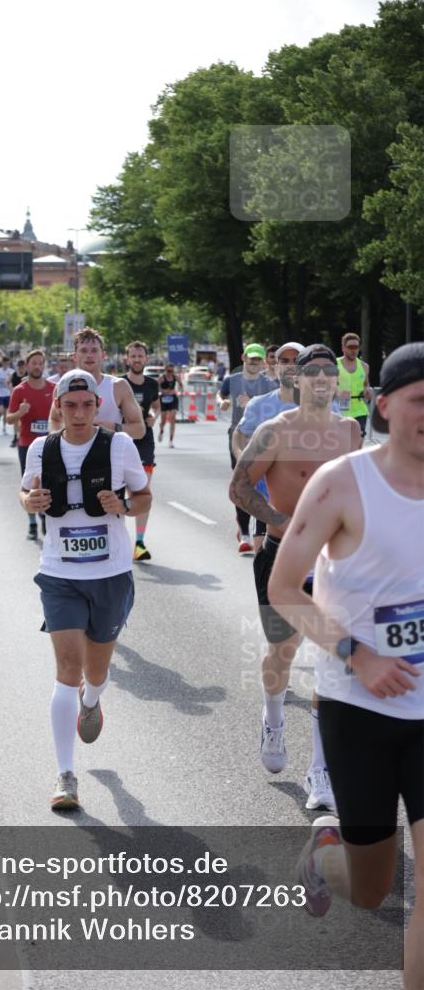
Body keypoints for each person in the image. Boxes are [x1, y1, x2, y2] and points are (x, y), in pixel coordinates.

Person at [268, 343, 423, 988]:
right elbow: (284, 589)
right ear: (385, 406)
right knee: (368, 888)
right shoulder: (342, 482)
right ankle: (326, 855)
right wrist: (357, 655)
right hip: (357, 706)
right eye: (421, 402)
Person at [229, 345, 362, 813]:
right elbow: (239, 487)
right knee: (281, 654)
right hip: (282, 557)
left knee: (333, 663)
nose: (323, 378)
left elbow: (359, 489)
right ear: (298, 382)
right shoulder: (273, 432)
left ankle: (319, 770)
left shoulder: (350, 431)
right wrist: (278, 519)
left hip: (332, 563)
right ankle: (272, 718)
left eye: (330, 372)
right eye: (314, 372)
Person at [20, 369, 152, 810]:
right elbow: (25, 493)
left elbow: (145, 496)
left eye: (87, 405)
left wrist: (125, 506)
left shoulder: (119, 446)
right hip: (59, 574)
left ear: (98, 407)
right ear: (58, 407)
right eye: (70, 405)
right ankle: (65, 776)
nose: (78, 413)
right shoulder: (41, 449)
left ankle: (92, 700)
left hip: (111, 574)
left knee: (95, 673)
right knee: (67, 672)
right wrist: (30, 502)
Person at [232, 342, 305, 553]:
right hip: (267, 502)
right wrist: (244, 460)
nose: (290, 366)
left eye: (297, 361)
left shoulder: (325, 405)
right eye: (284, 361)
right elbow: (240, 434)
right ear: (275, 366)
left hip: (310, 504)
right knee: (264, 569)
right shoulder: (259, 404)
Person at [219, 343, 278, 553]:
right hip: (239, 436)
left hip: (263, 440)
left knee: (264, 484)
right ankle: (244, 531)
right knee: (243, 481)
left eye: (257, 359)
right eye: (251, 358)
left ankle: (262, 528)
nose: (253, 362)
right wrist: (223, 402)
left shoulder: (270, 384)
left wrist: (251, 402)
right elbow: (221, 394)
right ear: (244, 357)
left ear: (263, 361)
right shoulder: (232, 380)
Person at [48, 328, 145, 442]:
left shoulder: (118, 386)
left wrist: (111, 427)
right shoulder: (62, 386)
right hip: (74, 455)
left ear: (103, 355)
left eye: (94, 350)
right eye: (83, 351)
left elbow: (139, 430)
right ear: (74, 356)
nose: (89, 355)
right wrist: (66, 434)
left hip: (108, 455)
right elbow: (54, 421)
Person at [6, 349, 54, 539]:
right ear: (27, 366)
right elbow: (9, 419)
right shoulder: (20, 390)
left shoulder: (53, 388)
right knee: (29, 485)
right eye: (33, 363)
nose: (37, 366)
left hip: (50, 444)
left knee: (49, 483)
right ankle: (32, 523)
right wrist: (20, 413)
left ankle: (45, 519)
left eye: (40, 363)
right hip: (27, 443)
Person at [121, 341, 161, 560]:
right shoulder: (119, 384)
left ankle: (139, 543)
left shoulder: (152, 384)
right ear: (127, 359)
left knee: (143, 492)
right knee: (119, 491)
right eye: (133, 356)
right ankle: (116, 539)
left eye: (140, 356)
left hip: (145, 442)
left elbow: (156, 405)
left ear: (146, 359)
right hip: (120, 442)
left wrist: (154, 417)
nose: (137, 360)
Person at [337, 332, 372, 438]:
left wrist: (367, 391)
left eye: (356, 347)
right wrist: (337, 393)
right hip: (340, 409)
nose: (354, 350)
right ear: (343, 348)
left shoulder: (364, 366)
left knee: (358, 441)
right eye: (350, 347)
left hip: (359, 410)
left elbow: (366, 384)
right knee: (342, 443)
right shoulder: (334, 364)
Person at [157, 364, 184, 448]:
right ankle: (161, 431)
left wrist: (179, 390)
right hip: (163, 399)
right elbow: (155, 387)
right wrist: (162, 391)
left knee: (172, 419)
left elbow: (181, 385)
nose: (170, 373)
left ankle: (171, 440)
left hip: (172, 398)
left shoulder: (175, 377)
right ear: (165, 370)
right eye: (169, 371)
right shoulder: (161, 378)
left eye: (172, 371)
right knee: (163, 420)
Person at [0, 356, 14, 433]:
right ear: (2, 363)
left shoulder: (11, 371)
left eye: (7, 362)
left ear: (8, 363)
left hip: (8, 394)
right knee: (1, 411)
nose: (5, 364)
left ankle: (4, 428)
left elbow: (13, 382)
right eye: (4, 362)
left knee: (5, 412)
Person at [9, 360, 27, 446]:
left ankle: (22, 436)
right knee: (16, 419)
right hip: (16, 399)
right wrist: (11, 390)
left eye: (22, 367)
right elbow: (7, 382)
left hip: (26, 400)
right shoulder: (14, 375)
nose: (21, 369)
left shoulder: (28, 375)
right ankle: (16, 436)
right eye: (20, 367)